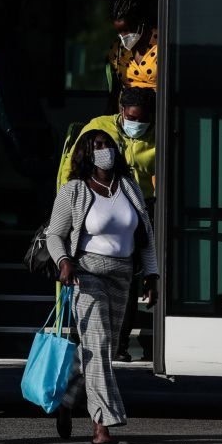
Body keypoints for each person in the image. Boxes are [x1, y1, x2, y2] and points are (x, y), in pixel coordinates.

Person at [46, 130, 158, 444]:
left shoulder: (128, 188)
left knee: (101, 350)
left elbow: (145, 236)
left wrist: (152, 275)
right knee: (100, 344)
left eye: (108, 145)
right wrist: (64, 260)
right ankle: (103, 426)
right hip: (87, 274)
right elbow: (55, 234)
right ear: (86, 153)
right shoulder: (74, 190)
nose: (104, 150)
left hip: (123, 274)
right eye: (98, 146)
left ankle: (68, 395)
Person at [57, 86, 157, 360]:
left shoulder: (157, 135)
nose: (138, 124)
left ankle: (118, 346)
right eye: (134, 118)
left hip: (135, 208)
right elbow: (71, 167)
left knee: (127, 286)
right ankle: (86, 346)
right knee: (89, 291)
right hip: (96, 206)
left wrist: (152, 273)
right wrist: (72, 204)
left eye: (144, 119)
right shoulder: (99, 130)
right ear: (122, 111)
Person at [106, 0, 158, 108]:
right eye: (119, 31)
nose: (123, 35)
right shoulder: (117, 50)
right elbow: (115, 89)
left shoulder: (163, 44)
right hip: (128, 115)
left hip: (158, 113)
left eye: (126, 30)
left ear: (141, 22)